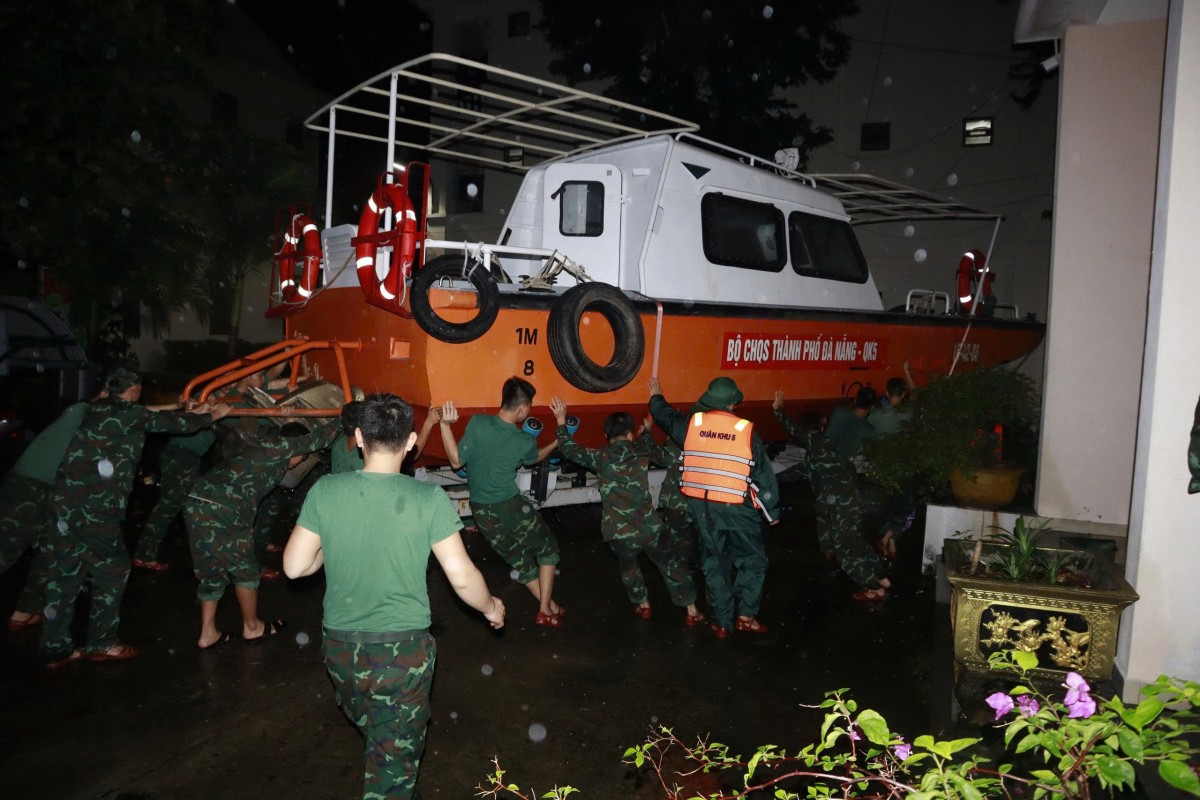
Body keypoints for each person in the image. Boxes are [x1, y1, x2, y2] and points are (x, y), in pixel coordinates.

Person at [283, 394, 505, 800]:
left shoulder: (327, 490)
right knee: (390, 764)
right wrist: (492, 607)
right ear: (411, 442)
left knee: (382, 738)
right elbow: (462, 577)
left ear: (358, 439)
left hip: (341, 650)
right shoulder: (427, 500)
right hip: (401, 655)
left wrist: (327, 551)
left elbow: (295, 567)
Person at [40, 368, 230, 668]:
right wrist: (212, 416)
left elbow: (148, 412)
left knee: (65, 575)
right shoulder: (129, 415)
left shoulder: (97, 407)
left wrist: (194, 408)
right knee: (112, 570)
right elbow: (173, 424)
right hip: (95, 508)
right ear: (135, 389)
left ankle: (55, 647)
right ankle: (102, 642)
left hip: (64, 504)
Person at [550, 397, 704, 625]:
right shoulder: (641, 453)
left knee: (629, 568)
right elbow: (645, 444)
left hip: (619, 533)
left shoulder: (601, 457)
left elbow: (570, 449)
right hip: (650, 528)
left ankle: (643, 605)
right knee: (671, 565)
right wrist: (649, 429)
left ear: (606, 437)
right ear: (630, 435)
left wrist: (561, 420)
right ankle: (691, 610)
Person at [648, 376, 780, 638]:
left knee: (715, 562)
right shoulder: (746, 430)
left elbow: (665, 416)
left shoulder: (692, 425)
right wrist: (771, 511)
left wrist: (656, 397)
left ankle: (722, 622)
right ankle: (745, 616)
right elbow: (764, 475)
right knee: (753, 561)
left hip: (703, 508)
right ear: (733, 403)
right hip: (736, 507)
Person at [185, 420, 336, 649]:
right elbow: (321, 437)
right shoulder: (279, 447)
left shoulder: (261, 448)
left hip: (197, 502)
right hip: (224, 507)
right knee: (246, 572)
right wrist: (343, 417)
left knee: (212, 571)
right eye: (302, 457)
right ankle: (252, 627)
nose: (299, 462)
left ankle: (208, 633)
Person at [438, 377, 563, 627]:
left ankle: (550, 607)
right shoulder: (523, 440)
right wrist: (557, 439)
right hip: (510, 506)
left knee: (519, 559)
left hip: (481, 511)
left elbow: (455, 461)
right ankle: (543, 610)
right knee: (548, 549)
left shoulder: (477, 423)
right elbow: (533, 459)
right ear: (522, 409)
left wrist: (445, 426)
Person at [773, 390, 891, 602]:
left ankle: (873, 588)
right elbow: (798, 472)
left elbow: (794, 430)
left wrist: (778, 411)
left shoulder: (818, 444)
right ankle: (881, 577)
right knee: (854, 540)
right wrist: (769, 480)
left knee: (845, 549)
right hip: (842, 501)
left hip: (841, 503)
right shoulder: (821, 452)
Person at [1, 394, 101, 631]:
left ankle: (23, 613)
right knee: (6, 550)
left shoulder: (96, 428)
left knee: (51, 551)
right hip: (28, 487)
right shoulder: (80, 410)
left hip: (51, 492)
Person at [133, 427, 215, 571]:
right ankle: (145, 555)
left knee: (170, 508)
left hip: (180, 454)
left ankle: (144, 554)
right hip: (183, 455)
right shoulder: (231, 406)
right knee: (182, 507)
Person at [866, 362, 918, 560]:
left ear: (886, 393)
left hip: (881, 466)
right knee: (903, 505)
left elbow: (867, 435)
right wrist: (906, 371)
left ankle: (890, 543)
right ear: (903, 394)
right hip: (903, 466)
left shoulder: (877, 414)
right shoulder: (909, 412)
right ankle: (887, 537)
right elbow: (916, 393)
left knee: (889, 504)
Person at [824, 385, 878, 464]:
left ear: (855, 400)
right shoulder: (868, 429)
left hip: (821, 457)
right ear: (872, 407)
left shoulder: (839, 411)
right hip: (839, 469)